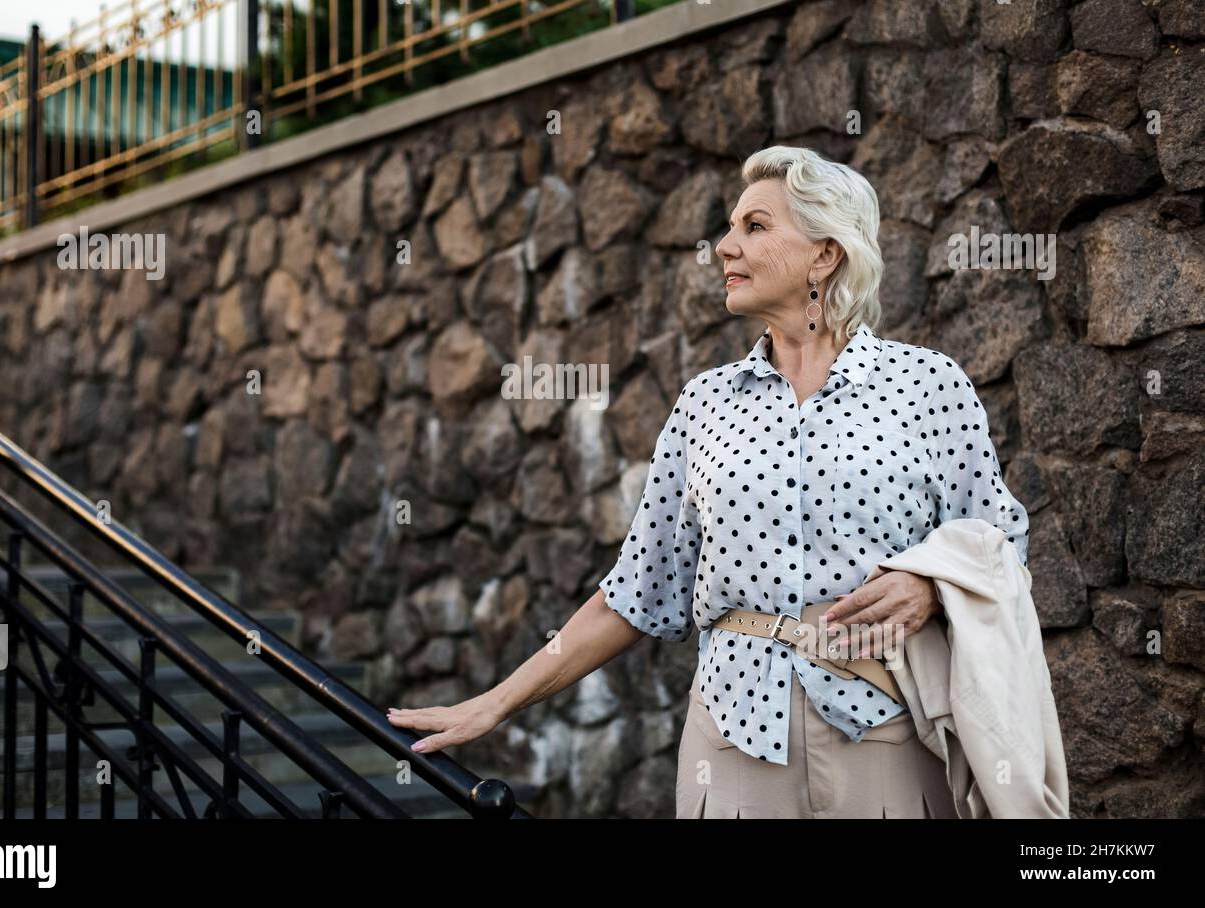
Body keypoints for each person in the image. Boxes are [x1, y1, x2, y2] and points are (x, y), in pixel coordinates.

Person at [387, 145, 1030, 818]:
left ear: (824, 254)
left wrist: (929, 586)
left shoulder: (927, 385)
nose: (725, 247)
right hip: (732, 741)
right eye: (730, 227)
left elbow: (999, 540)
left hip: (887, 728)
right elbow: (636, 593)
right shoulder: (706, 404)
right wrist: (495, 702)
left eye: (755, 226)